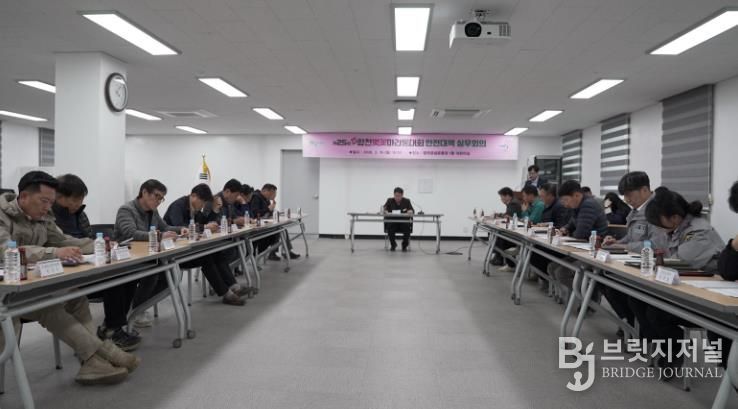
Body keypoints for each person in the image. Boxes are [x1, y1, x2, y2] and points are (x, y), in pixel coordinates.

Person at [0, 171, 139, 385]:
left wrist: (98, 245)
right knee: (48, 305)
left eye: (51, 202)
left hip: (27, 284)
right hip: (6, 292)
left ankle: (94, 359)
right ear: (24, 196)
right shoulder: (2, 215)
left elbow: (62, 240)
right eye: (44, 201)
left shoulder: (43, 216)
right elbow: (5, 250)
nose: (48, 207)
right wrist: (53, 253)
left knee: (75, 296)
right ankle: (100, 353)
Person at [629, 187, 724, 375]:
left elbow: (678, 262)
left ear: (673, 217)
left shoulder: (699, 232)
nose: (657, 227)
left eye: (659, 222)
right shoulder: (673, 228)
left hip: (706, 298)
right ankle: (662, 345)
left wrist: (656, 259)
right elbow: (656, 248)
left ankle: (674, 348)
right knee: (636, 298)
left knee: (656, 311)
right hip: (683, 288)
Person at [52, 174, 142, 350]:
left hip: (86, 265)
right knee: (114, 278)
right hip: (65, 272)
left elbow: (89, 238)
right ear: (59, 196)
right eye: (75, 200)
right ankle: (112, 329)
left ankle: (111, 326)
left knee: (128, 275)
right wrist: (92, 246)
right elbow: (60, 243)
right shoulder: (49, 216)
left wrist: (102, 246)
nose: (78, 204)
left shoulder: (80, 214)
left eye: (81, 199)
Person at [599, 172, 667, 338]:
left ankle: (639, 330)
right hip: (635, 263)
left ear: (644, 190)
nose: (627, 199)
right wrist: (616, 241)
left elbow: (656, 245)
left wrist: (624, 246)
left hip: (651, 267)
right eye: (625, 196)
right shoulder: (636, 211)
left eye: (629, 195)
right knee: (603, 279)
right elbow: (630, 238)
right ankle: (630, 323)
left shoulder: (658, 210)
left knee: (623, 292)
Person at [114, 179, 189, 326]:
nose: (159, 201)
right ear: (144, 192)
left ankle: (138, 306)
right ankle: (136, 310)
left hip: (147, 256)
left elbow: (165, 227)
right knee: (154, 272)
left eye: (162, 198)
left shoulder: (153, 211)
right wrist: (159, 236)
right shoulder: (126, 209)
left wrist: (181, 229)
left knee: (170, 274)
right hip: (127, 258)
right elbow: (131, 233)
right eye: (157, 196)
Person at [163, 184, 249, 305]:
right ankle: (226, 294)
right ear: (193, 196)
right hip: (176, 253)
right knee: (207, 257)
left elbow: (205, 221)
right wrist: (204, 227)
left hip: (190, 248)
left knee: (216, 253)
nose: (203, 206)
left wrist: (214, 211)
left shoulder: (195, 208)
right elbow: (180, 228)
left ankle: (234, 287)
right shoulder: (177, 206)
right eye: (202, 202)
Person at [549, 180, 609, 302]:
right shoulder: (578, 204)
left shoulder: (588, 205)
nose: (564, 204)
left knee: (561, 273)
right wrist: (565, 229)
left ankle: (591, 298)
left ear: (576, 195)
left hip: (593, 252)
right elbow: (572, 222)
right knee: (552, 267)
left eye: (566, 200)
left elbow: (581, 234)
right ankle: (583, 296)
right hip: (582, 249)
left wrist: (569, 234)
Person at [250, 183, 300, 260]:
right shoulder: (256, 197)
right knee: (279, 231)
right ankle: (275, 253)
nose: (274, 196)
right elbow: (255, 213)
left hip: (265, 224)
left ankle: (284, 252)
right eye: (272, 193)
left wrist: (273, 210)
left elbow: (267, 213)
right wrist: (268, 209)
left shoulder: (265, 199)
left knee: (282, 230)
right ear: (266, 191)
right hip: (258, 227)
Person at [491, 187, 523, 271]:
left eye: (502, 197)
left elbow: (508, 216)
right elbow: (507, 215)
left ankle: (509, 264)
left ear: (508, 196)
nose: (501, 199)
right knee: (495, 234)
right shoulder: (511, 203)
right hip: (514, 229)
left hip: (516, 231)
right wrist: (500, 215)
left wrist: (500, 216)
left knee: (502, 238)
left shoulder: (513, 204)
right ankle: (499, 256)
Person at [383, 187, 414, 252]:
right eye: (396, 196)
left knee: (407, 228)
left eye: (399, 196)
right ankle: (393, 245)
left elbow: (412, 210)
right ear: (394, 195)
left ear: (402, 195)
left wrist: (410, 211)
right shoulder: (389, 200)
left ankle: (404, 245)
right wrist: (385, 211)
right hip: (393, 222)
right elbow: (384, 208)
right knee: (389, 227)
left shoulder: (407, 201)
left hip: (403, 222)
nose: (397, 197)